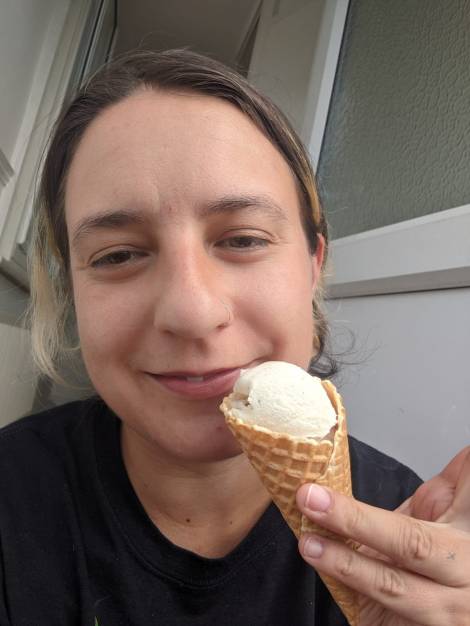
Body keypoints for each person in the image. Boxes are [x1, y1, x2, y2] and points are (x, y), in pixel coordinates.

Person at [0, 49, 468, 626]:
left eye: (243, 239)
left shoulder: (409, 526)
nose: (193, 312)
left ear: (313, 265)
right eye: (117, 254)